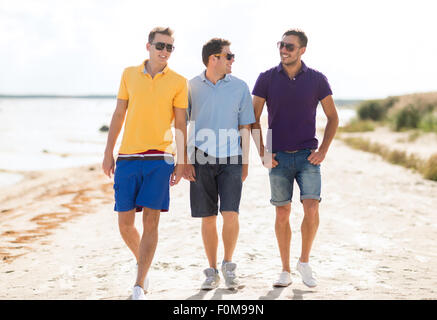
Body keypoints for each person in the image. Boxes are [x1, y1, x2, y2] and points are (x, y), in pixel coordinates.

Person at [102, 27, 188, 300]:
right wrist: (108, 152)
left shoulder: (178, 81)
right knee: (125, 224)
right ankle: (145, 264)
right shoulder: (129, 74)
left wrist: (182, 161)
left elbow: (181, 124)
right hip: (127, 158)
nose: (164, 51)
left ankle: (139, 284)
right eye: (160, 45)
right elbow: (118, 113)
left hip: (160, 159)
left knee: (152, 221)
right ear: (148, 46)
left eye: (169, 47)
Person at [251, 29, 339, 288]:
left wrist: (322, 150)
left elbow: (333, 117)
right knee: (282, 213)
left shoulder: (317, 79)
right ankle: (285, 270)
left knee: (312, 208)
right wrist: (263, 153)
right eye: (281, 44)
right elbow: (253, 118)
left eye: (289, 46)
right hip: (277, 158)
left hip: (306, 157)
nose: (283, 49)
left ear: (302, 50)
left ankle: (304, 261)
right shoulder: (266, 78)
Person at [185, 38, 255, 290]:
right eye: (228, 55)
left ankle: (228, 264)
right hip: (200, 158)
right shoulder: (191, 86)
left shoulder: (240, 87)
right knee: (207, 217)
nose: (232, 59)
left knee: (230, 213)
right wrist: (184, 160)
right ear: (213, 59)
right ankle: (212, 270)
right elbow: (182, 124)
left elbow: (245, 126)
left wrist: (245, 162)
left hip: (231, 159)